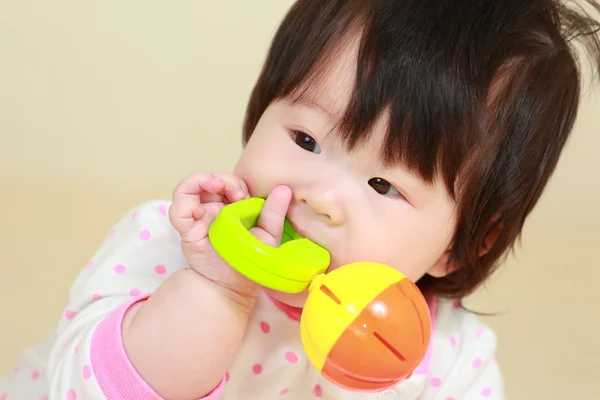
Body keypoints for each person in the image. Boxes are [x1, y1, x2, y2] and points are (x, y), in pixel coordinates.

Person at [2, 0, 600, 399]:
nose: (322, 200)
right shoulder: (165, 247)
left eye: (384, 185)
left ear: (462, 246)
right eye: (306, 139)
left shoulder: (445, 360)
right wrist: (217, 291)